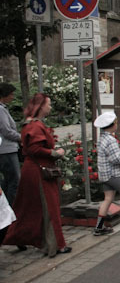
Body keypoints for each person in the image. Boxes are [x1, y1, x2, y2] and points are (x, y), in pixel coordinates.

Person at [3, 93, 71, 257]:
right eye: (48, 104)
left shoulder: (34, 124)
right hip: (38, 171)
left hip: (36, 169)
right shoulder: (34, 126)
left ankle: (21, 236)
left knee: (33, 207)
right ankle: (55, 245)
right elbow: (34, 149)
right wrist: (55, 153)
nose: (50, 107)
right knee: (49, 207)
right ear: (40, 106)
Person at [0, 83, 21, 205]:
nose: (13, 97)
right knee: (13, 180)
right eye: (11, 94)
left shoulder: (3, 108)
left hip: (7, 148)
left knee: (8, 180)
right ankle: (11, 208)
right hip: (6, 150)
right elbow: (6, 130)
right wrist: (21, 138)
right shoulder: (1, 110)